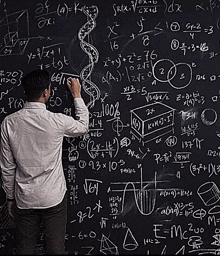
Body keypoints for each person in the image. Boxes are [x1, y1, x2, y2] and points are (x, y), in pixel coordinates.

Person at [0, 69, 89, 255]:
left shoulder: (9, 123)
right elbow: (82, 127)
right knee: (56, 250)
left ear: (26, 92)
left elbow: (7, 166)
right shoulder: (56, 121)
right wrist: (77, 96)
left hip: (24, 199)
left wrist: (10, 197)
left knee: (25, 250)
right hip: (53, 197)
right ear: (46, 92)